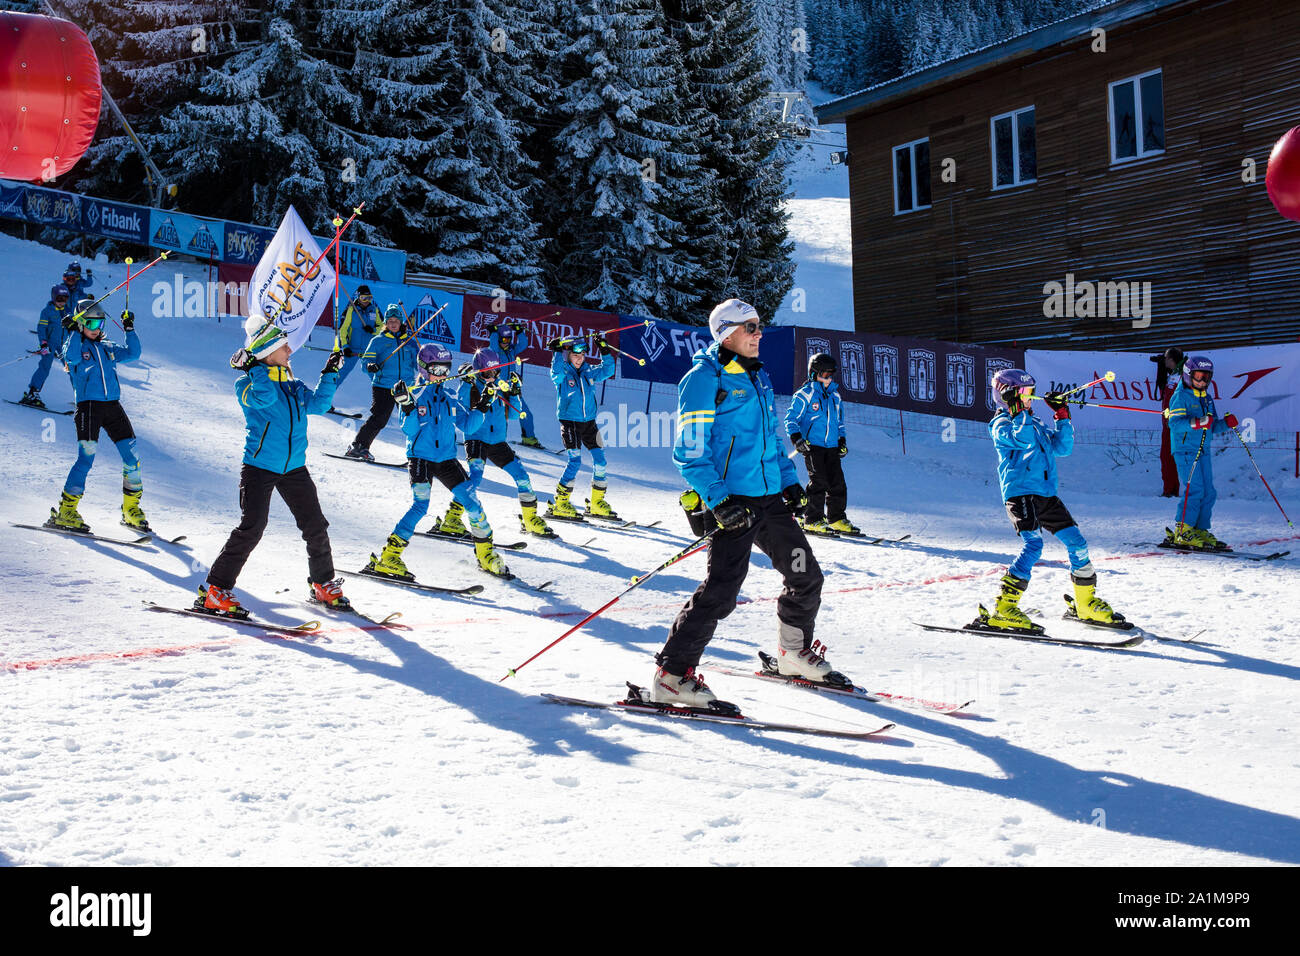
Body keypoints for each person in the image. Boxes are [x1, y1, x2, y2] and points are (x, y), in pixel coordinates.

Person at [652, 298, 831, 707]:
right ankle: (672, 675)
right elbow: (689, 452)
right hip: (734, 504)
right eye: (750, 327)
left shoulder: (757, 375)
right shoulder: (704, 378)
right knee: (723, 589)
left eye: (759, 326)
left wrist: (789, 483)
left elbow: (769, 439)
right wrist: (718, 500)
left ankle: (792, 654)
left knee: (806, 574)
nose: (759, 333)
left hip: (769, 501)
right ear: (726, 332)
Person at [197, 317, 349, 617]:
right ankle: (215, 590)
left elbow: (318, 405)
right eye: (283, 346)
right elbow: (264, 400)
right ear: (267, 351)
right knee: (252, 528)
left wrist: (330, 372)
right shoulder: (246, 383)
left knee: (315, 525)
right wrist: (254, 367)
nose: (290, 350)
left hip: (294, 467)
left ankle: (322, 582)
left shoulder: (292, 386)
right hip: (260, 467)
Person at [980, 368, 1121, 629]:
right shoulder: (1000, 424)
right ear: (1005, 395)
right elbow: (1021, 441)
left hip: (1046, 495)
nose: (1029, 397)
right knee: (1033, 546)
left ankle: (1085, 603)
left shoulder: (1034, 422)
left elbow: (1063, 448)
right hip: (1020, 494)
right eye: (1023, 393)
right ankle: (1004, 607)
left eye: (1030, 392)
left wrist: (1062, 415)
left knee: (1077, 543)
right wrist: (1018, 412)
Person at [368, 343, 511, 579]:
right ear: (424, 369)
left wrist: (482, 406)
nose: (443, 375)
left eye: (446, 370)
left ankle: (485, 553)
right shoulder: (414, 393)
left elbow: (467, 425)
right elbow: (409, 429)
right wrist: (407, 406)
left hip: (446, 460)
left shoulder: (449, 396)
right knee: (420, 506)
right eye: (437, 370)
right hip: (421, 459)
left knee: (473, 503)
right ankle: (388, 557)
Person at [47, 299, 147, 534]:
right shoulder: (76, 347)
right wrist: (71, 330)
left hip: (113, 407)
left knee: (132, 457)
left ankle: (131, 509)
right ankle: (66, 510)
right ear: (81, 323)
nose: (97, 328)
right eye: (91, 322)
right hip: (89, 408)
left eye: (100, 323)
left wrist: (129, 328)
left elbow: (134, 353)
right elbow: (69, 358)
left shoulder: (107, 347)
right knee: (86, 459)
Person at [456, 347, 555, 539]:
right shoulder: (470, 385)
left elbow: (515, 413)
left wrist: (516, 391)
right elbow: (462, 413)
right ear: (478, 369)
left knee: (522, 475)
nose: (492, 376)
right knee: (475, 478)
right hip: (476, 438)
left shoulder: (500, 386)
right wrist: (466, 380)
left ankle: (530, 518)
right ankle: (452, 517)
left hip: (497, 442)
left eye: (496, 371)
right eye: (487, 372)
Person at [1164, 355, 1238, 550]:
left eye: (1206, 377)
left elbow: (1211, 426)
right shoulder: (1180, 397)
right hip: (1186, 450)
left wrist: (1226, 424)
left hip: (1203, 450)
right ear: (1188, 376)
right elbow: (1174, 424)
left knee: (1209, 492)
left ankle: (1200, 529)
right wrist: (1196, 423)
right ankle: (1183, 530)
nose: (1202, 381)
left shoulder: (1207, 398)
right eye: (1198, 376)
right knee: (1194, 490)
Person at [785, 351, 858, 535]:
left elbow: (839, 423)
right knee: (819, 481)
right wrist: (797, 439)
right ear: (813, 374)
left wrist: (841, 441)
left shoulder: (835, 397)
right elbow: (791, 419)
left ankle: (836, 518)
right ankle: (813, 519)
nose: (828, 378)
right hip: (812, 445)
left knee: (837, 483)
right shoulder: (805, 395)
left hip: (831, 446)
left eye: (830, 375)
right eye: (824, 374)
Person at [546, 335, 617, 519]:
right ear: (568, 355)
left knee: (601, 461)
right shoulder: (563, 375)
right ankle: (560, 503)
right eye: (576, 356)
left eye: (583, 355)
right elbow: (556, 372)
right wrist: (556, 351)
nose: (579, 359)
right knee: (575, 462)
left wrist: (604, 350)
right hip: (570, 423)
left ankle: (596, 503)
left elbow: (609, 370)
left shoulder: (589, 372)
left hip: (590, 424)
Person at [346, 304, 415, 461]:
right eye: (389, 321)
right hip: (383, 386)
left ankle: (420, 453)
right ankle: (359, 446)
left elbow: (418, 362)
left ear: (401, 322)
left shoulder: (409, 342)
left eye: (395, 321)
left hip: (405, 387)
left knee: (413, 418)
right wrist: (371, 366)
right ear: (385, 323)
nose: (392, 323)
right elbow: (365, 362)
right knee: (380, 417)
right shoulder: (378, 341)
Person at [488, 319, 542, 448]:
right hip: (498, 389)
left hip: (512, 390)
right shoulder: (495, 352)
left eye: (509, 340)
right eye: (504, 340)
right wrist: (494, 333)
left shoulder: (511, 351)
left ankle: (528, 438)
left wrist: (519, 331)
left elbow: (523, 344)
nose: (506, 343)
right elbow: (494, 345)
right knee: (501, 417)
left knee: (526, 413)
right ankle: (498, 442)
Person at [19, 284, 74, 408]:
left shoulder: (68, 311)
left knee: (72, 368)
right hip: (50, 344)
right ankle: (32, 393)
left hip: (64, 345)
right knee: (45, 367)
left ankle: (81, 397)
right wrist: (43, 343)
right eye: (59, 299)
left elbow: (72, 327)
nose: (62, 302)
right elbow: (41, 328)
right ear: (54, 297)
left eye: (65, 299)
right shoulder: (47, 311)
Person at [330, 284, 381, 390]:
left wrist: (374, 330)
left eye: (369, 297)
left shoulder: (374, 310)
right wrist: (345, 346)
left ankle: (383, 400)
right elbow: (343, 330)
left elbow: (382, 327)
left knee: (375, 376)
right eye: (363, 298)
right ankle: (326, 398)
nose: (366, 300)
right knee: (341, 373)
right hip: (353, 349)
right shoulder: (352, 310)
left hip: (368, 351)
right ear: (358, 297)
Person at [1150, 346, 1185, 497]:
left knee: (1171, 457)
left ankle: (1171, 489)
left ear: (1171, 360)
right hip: (1168, 423)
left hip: (1176, 423)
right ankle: (1170, 489)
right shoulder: (1173, 374)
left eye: (1166, 358)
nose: (1164, 361)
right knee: (1166, 457)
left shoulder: (1183, 376)